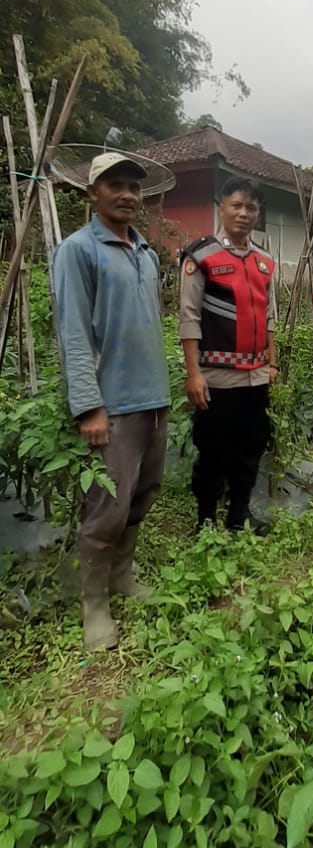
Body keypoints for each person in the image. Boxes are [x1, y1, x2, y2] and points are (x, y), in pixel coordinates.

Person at [53, 152, 170, 652]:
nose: (127, 194)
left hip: (153, 397)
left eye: (133, 187)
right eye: (115, 185)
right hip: (113, 404)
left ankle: (123, 577)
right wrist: (89, 406)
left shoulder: (146, 253)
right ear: (91, 194)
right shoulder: (77, 251)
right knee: (107, 509)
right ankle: (94, 607)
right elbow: (74, 334)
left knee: (142, 495)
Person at [179, 177, 277, 531]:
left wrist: (272, 363)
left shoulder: (265, 260)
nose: (244, 213)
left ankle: (239, 516)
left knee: (250, 448)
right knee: (213, 452)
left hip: (255, 376)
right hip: (216, 377)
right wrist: (194, 374)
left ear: (258, 214)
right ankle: (205, 522)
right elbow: (188, 317)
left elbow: (269, 318)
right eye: (236, 205)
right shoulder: (201, 256)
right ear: (221, 207)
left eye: (251, 207)